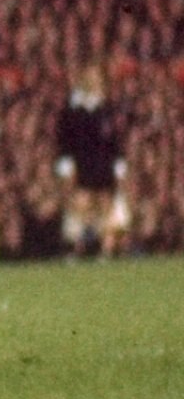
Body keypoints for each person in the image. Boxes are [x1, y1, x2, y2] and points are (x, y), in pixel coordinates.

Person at [55, 64, 130, 260]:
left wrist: (120, 167)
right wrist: (66, 166)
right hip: (82, 164)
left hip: (104, 164)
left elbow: (116, 141)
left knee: (106, 204)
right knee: (80, 204)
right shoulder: (73, 110)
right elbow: (65, 140)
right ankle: (74, 248)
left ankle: (106, 251)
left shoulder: (108, 109)